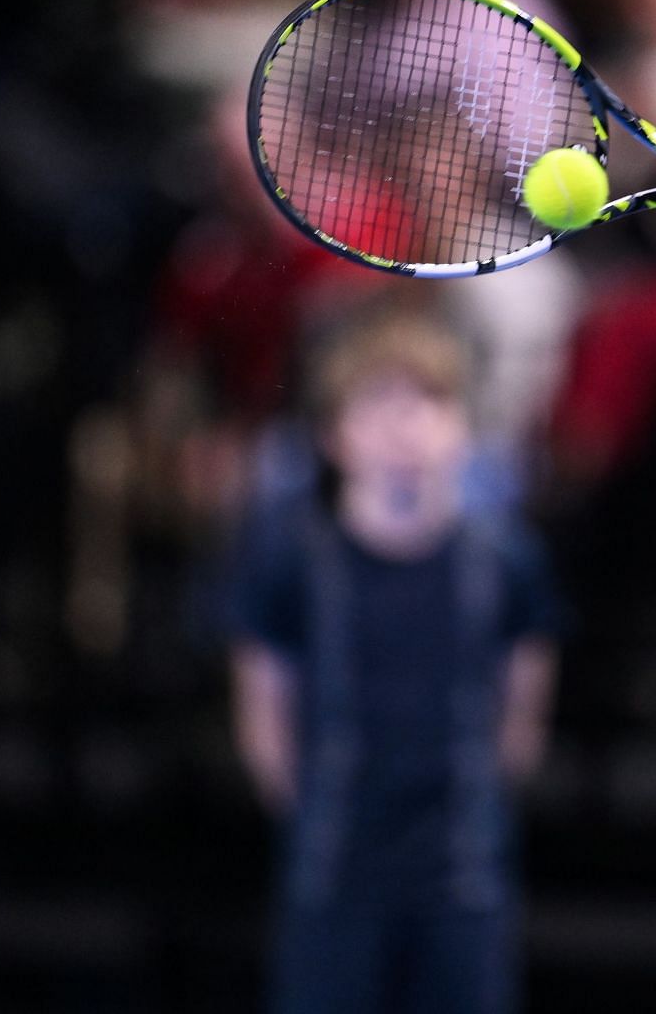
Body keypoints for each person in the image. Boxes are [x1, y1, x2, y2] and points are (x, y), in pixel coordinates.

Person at [227, 306, 564, 1014]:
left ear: (465, 427)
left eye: (428, 400)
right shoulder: (288, 560)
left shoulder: (506, 562)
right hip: (332, 876)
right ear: (333, 435)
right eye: (377, 401)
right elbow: (264, 727)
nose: (402, 424)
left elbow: (521, 722)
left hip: (463, 881)